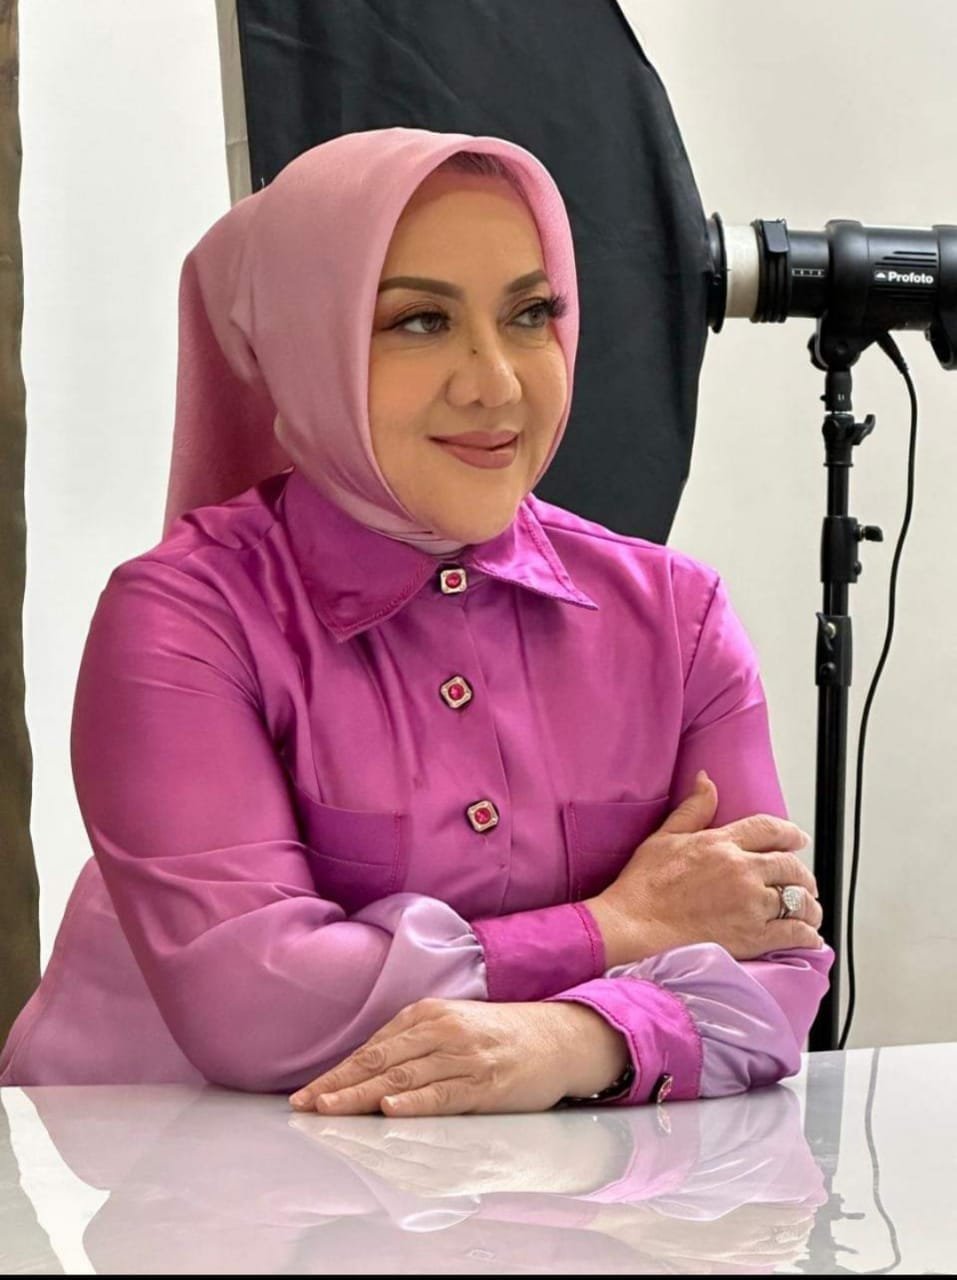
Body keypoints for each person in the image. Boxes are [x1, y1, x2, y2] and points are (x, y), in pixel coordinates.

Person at [0, 127, 832, 1113]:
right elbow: (253, 1005)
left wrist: (577, 1039)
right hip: (157, 1173)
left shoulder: (674, 619)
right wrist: (619, 926)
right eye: (420, 321)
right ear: (303, 341)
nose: (496, 382)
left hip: (543, 1184)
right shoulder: (185, 618)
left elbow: (777, 963)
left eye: (530, 314)